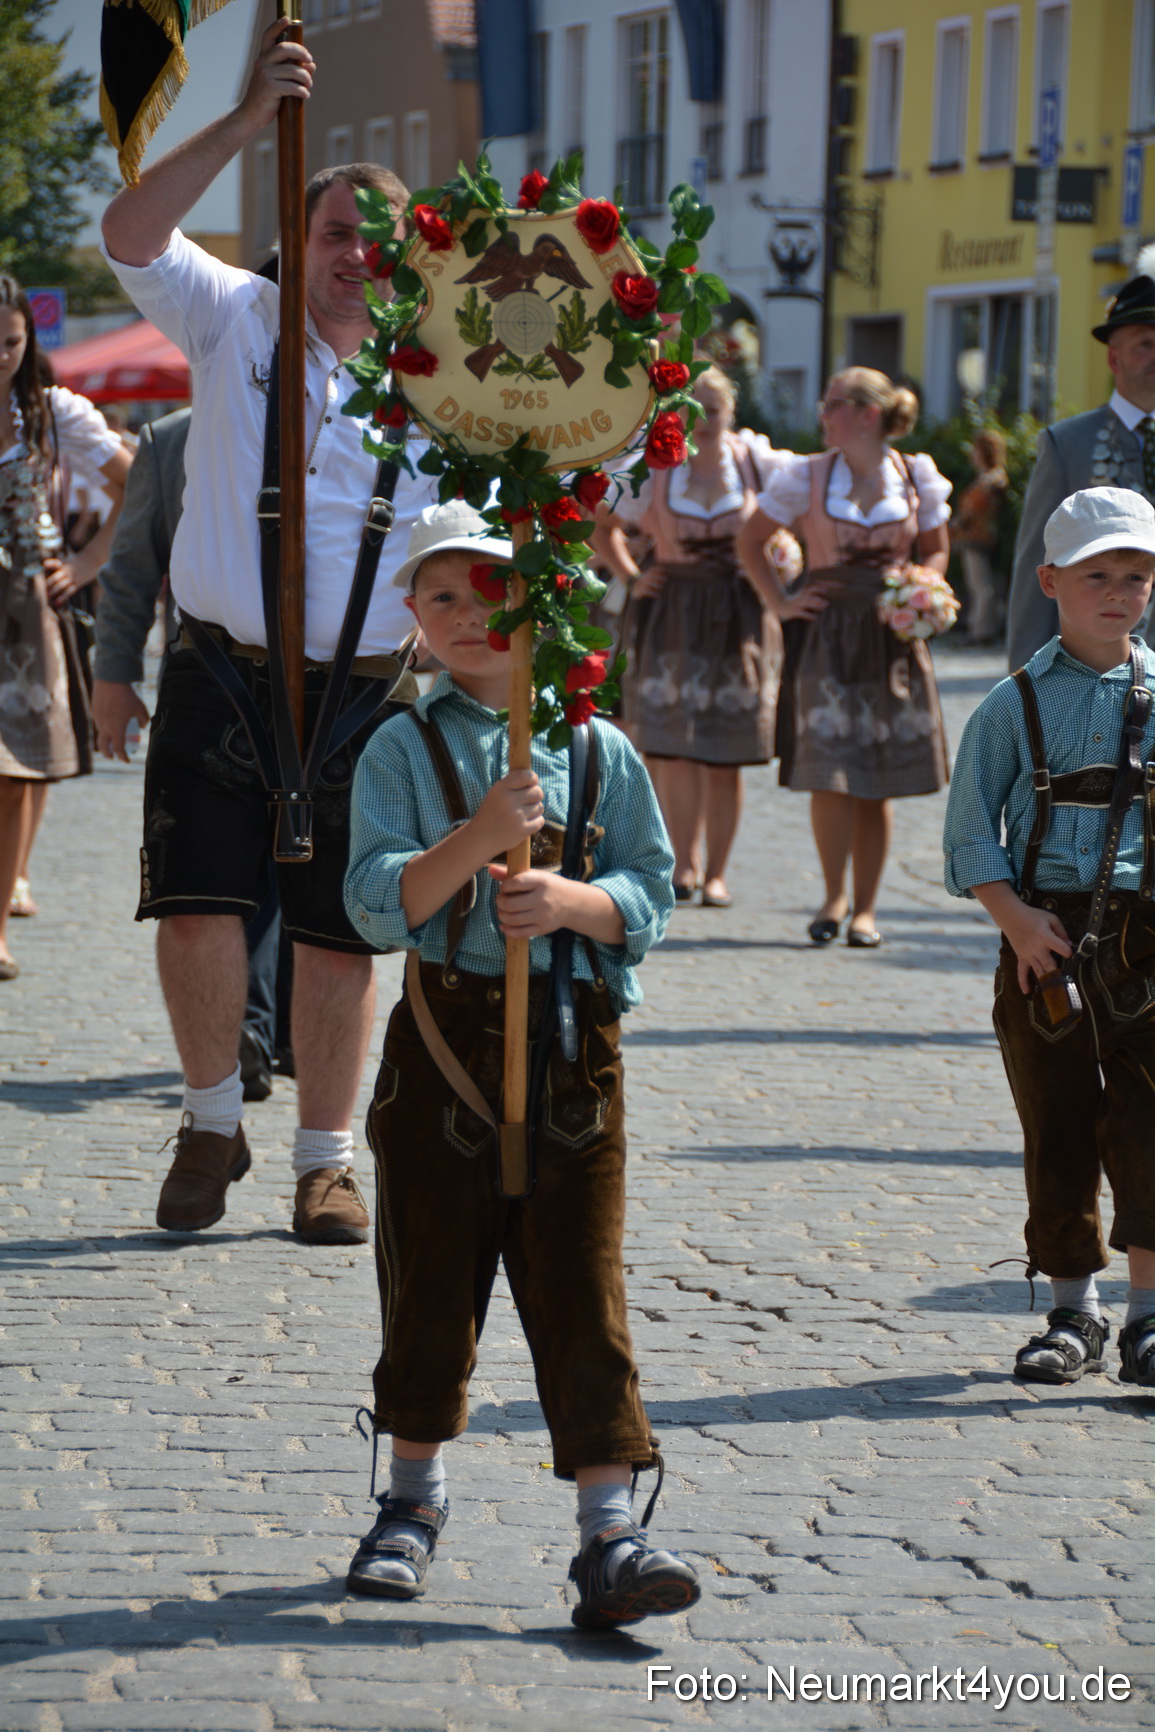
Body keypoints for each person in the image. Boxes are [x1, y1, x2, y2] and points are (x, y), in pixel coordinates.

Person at [99, 18, 437, 1243]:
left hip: (366, 690)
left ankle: (324, 1161)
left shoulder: (440, 376)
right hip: (219, 675)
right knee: (195, 909)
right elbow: (129, 233)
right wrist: (246, 126)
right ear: (299, 237)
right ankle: (206, 1123)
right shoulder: (237, 318)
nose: (354, 254)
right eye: (335, 232)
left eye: (377, 240)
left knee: (338, 936)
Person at [341, 501, 700, 1629]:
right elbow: (373, 900)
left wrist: (575, 900)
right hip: (443, 1047)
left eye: (489, 592)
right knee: (431, 1277)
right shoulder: (401, 743)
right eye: (440, 595)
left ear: (537, 603)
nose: (464, 617)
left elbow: (651, 888)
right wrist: (479, 833)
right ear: (412, 615)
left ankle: (610, 1529)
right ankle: (409, 1500)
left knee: (578, 1282)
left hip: (572, 1054)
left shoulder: (599, 745)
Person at [943, 487, 1155, 1388]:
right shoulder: (1010, 704)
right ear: (1049, 580)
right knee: (1056, 1123)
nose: (1116, 592)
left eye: (1134, 575)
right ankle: (1074, 1311)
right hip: (1042, 939)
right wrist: (1015, 918)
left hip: (1148, 939)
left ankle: (1149, 1318)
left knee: (1149, 1123)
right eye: (1095, 575)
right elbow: (964, 832)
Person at [91, 407, 293, 1103]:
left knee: (297, 867)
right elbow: (130, 569)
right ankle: (254, 1030)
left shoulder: (355, 420)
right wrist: (113, 676)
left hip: (330, 686)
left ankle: (267, 1028)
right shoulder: (172, 437)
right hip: (210, 682)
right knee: (223, 875)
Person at [737, 366, 952, 947]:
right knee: (829, 771)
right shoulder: (805, 476)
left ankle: (867, 909)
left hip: (889, 637)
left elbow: (935, 550)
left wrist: (919, 592)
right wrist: (781, 602)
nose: (822, 415)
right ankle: (834, 896)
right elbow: (750, 539)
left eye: (831, 404)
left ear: (867, 413)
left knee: (875, 777)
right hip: (827, 635)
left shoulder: (915, 475)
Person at [598, 368, 783, 907]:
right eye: (692, 410)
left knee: (727, 752)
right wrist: (633, 575)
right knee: (675, 748)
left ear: (731, 414)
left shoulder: (757, 465)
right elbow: (601, 525)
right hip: (673, 609)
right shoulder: (657, 471)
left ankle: (719, 872)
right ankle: (684, 862)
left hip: (737, 613)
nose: (703, 420)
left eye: (715, 409)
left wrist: (779, 568)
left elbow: (800, 512)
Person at [1, 276, 132, 981]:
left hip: (23, 608)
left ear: (29, 341)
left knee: (16, 772)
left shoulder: (50, 413)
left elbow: (139, 482)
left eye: (11, 343)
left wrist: (85, 561)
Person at [1006, 256, 1155, 669]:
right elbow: (1036, 564)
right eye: (1145, 343)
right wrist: (1025, 684)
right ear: (1114, 359)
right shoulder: (1068, 443)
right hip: (1099, 669)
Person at [951, 428, 1009, 646]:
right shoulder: (988, 478)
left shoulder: (992, 479)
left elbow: (973, 509)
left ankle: (980, 631)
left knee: (981, 586)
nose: (972, 454)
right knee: (979, 585)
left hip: (978, 538)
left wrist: (957, 522)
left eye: (975, 449)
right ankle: (980, 628)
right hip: (975, 538)